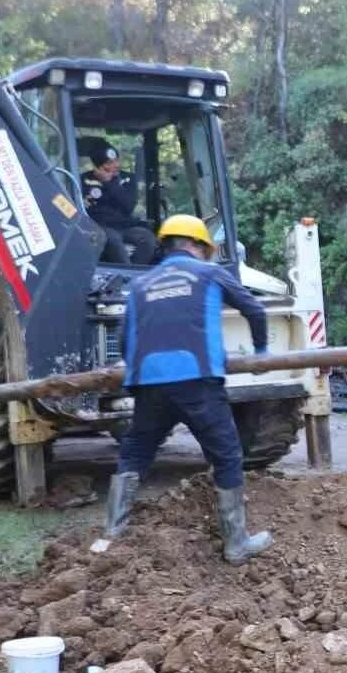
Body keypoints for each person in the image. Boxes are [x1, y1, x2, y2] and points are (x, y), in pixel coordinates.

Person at [104, 214, 273, 564]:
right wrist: (260, 353)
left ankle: (113, 533)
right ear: (197, 245)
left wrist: (145, 369)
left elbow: (124, 340)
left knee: (134, 453)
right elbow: (255, 310)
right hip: (197, 380)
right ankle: (236, 543)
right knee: (226, 454)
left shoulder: (140, 285)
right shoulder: (209, 274)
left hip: (148, 384)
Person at [81, 140, 157, 264]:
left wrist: (109, 182)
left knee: (147, 238)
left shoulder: (127, 179)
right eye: (109, 163)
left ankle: (136, 272)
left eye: (116, 160)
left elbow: (128, 206)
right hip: (99, 226)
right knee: (113, 240)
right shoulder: (84, 180)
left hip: (124, 226)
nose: (115, 165)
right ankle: (126, 274)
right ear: (98, 166)